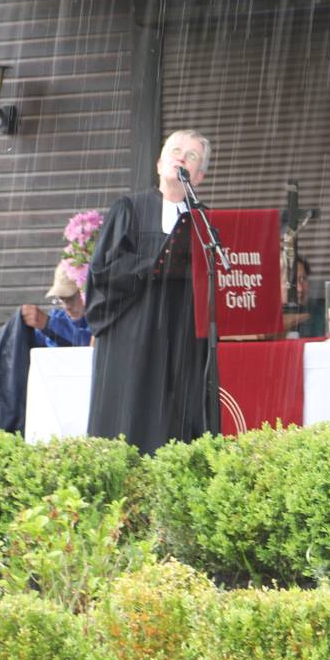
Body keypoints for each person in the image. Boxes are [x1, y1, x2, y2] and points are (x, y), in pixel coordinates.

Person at [84, 129, 217, 453]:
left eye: (192, 155)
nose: (181, 157)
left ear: (198, 177)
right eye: (175, 150)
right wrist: (155, 265)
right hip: (134, 335)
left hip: (184, 337)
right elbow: (104, 270)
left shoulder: (204, 221)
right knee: (132, 417)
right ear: (159, 164)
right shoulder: (129, 208)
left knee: (179, 414)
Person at [0, 262, 91, 353]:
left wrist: (48, 323)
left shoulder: (99, 320)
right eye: (61, 299)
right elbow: (22, 340)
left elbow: (88, 343)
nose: (66, 307)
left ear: (85, 293)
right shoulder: (57, 317)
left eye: (70, 299)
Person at [282, 255, 325, 337]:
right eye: (292, 282)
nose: (300, 289)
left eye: (303, 279)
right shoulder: (266, 318)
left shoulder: (322, 313)